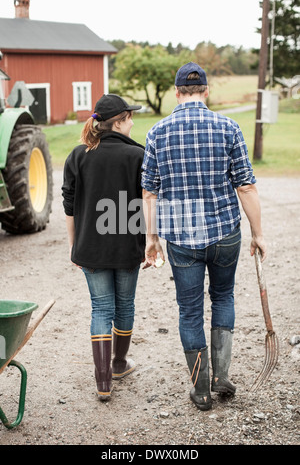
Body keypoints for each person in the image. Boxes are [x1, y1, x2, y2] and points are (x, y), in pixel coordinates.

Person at [142, 62, 267, 411]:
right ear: (207, 91)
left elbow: (149, 194)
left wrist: (151, 238)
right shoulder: (229, 127)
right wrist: (258, 234)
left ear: (177, 93)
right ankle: (221, 376)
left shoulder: (157, 133)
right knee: (224, 296)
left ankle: (200, 390)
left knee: (190, 311)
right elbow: (246, 186)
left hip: (181, 238)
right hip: (226, 233)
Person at [62, 94, 145, 401]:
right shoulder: (138, 155)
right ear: (119, 122)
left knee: (101, 308)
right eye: (130, 118)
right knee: (125, 306)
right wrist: (150, 243)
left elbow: (69, 205)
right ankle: (120, 363)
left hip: (91, 247)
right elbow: (147, 202)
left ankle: (103, 383)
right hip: (127, 245)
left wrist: (75, 246)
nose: (133, 122)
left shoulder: (78, 154)